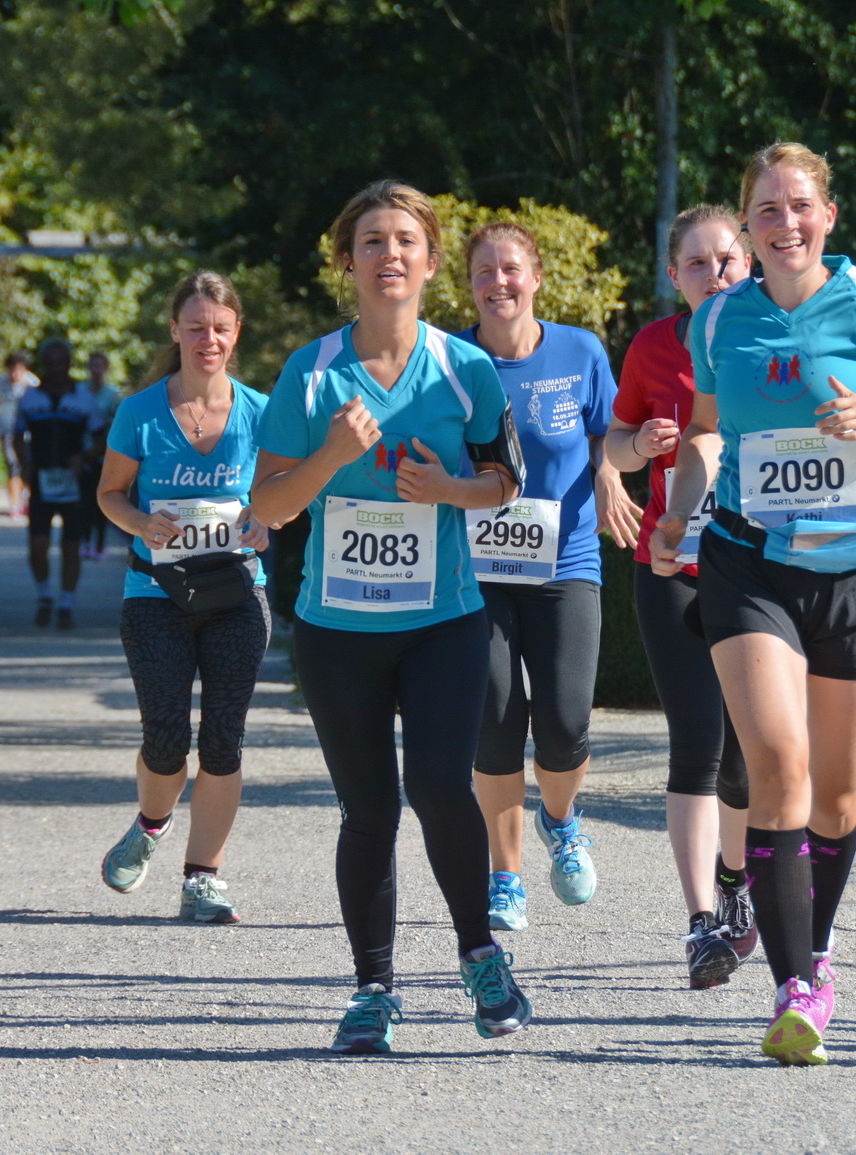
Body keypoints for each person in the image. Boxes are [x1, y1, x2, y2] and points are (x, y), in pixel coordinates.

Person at [650, 143, 856, 1065]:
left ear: (829, 216)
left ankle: (814, 948)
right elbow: (707, 433)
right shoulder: (717, 320)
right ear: (747, 227)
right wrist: (679, 512)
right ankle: (794, 988)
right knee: (777, 764)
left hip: (853, 569)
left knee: (836, 793)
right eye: (768, 210)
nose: (786, 224)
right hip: (749, 562)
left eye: (800, 206)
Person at [252, 180, 533, 1056]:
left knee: (441, 786)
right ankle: (372, 988)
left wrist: (447, 488)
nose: (389, 255)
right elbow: (269, 506)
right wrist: (332, 453)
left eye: (405, 240)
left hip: (444, 620)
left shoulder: (465, 367)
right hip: (337, 629)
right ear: (348, 261)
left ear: (432, 260)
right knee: (367, 807)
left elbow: (506, 481)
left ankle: (480, 955)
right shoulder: (310, 371)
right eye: (371, 240)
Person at [456, 222, 639, 934]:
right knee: (495, 720)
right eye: (484, 272)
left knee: (564, 723)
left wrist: (609, 473)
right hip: (476, 571)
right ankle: (505, 877)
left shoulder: (580, 351)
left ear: (535, 277)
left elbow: (607, 432)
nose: (498, 282)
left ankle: (560, 819)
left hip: (566, 561)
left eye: (510, 269)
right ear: (470, 285)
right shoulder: (452, 360)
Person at [604, 203, 759, 989]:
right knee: (696, 742)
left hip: (757, 570)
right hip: (671, 565)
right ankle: (701, 922)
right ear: (675, 276)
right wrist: (635, 445)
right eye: (696, 263)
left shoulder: (774, 336)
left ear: (750, 261)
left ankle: (735, 878)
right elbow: (615, 442)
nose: (714, 273)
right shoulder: (653, 347)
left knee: (746, 755)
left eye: (726, 258)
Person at [94, 272, 272, 924]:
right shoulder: (139, 412)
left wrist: (267, 519)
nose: (208, 339)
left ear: (236, 333)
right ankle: (151, 823)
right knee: (166, 738)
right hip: (155, 593)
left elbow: (282, 493)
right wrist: (142, 522)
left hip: (237, 592)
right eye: (195, 327)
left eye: (220, 328)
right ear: (174, 331)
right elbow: (109, 494)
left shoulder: (260, 412)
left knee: (223, 739)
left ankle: (203, 878)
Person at [13, 337, 105, 629]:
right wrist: (25, 464)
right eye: (49, 363)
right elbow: (17, 434)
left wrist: (84, 458)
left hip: (74, 481)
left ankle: (66, 602)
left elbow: (102, 438)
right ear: (43, 365)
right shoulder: (29, 398)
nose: (55, 369)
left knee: (71, 545)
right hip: (42, 479)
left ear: (68, 364)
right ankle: (44, 595)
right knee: (37, 544)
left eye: (60, 363)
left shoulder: (83, 398)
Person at [81, 352, 124, 559]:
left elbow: (120, 422)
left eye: (100, 366)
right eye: (93, 365)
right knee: (84, 501)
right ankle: (85, 541)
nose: (96, 370)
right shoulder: (80, 392)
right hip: (83, 451)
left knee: (102, 500)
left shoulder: (114, 395)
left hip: (106, 452)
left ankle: (100, 545)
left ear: (106, 368)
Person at [0, 352, 37, 519]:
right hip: (7, 429)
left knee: (28, 465)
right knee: (12, 465)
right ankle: (14, 504)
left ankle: (27, 501)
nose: (15, 373)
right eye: (12, 369)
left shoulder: (32, 383)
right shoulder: (1, 382)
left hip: (26, 432)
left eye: (19, 369)